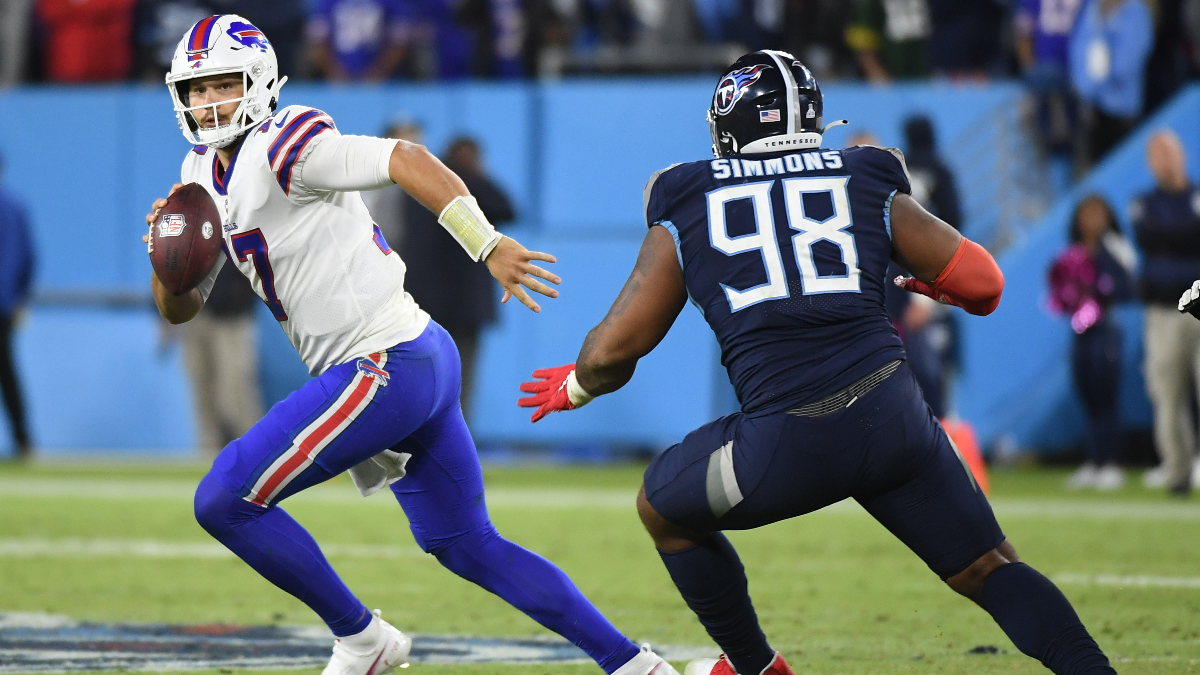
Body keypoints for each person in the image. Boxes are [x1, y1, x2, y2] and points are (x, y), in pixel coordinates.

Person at [521, 50, 1116, 675]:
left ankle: (754, 666)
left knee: (661, 508)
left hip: (785, 439)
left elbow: (616, 350)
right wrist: (930, 285)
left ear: (730, 125)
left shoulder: (688, 195)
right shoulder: (863, 174)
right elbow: (984, 283)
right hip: (894, 417)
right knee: (991, 569)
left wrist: (578, 387)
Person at [144, 15, 678, 675]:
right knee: (468, 545)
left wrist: (487, 243)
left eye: (223, 83)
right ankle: (634, 665)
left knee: (223, 497)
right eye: (196, 89)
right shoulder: (199, 171)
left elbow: (405, 159)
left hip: (383, 361)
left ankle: (362, 638)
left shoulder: (287, 141)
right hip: (411, 358)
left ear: (258, 81)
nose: (208, 102)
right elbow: (182, 308)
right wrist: (168, 264)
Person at [401, 135, 514, 416]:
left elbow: (508, 210)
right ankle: (452, 438)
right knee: (459, 379)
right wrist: (473, 176)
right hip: (459, 305)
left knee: (425, 377)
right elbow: (506, 207)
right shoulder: (470, 192)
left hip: (426, 304)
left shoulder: (421, 187)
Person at [1048, 195, 1135, 490]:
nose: (1092, 220)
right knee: (1086, 393)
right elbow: (1059, 287)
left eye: (1098, 214)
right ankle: (1093, 461)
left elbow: (1127, 287)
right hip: (1081, 331)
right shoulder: (1069, 251)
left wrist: (1102, 282)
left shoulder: (1116, 248)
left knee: (1106, 394)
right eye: (1087, 214)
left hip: (1106, 327)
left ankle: (1110, 463)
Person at [1132, 129, 1200, 496]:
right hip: (1163, 309)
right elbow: (1149, 236)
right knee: (1166, 393)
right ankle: (1179, 471)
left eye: (1169, 152)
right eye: (1157, 154)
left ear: (1182, 155)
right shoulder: (1143, 203)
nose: (1165, 160)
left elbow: (1167, 238)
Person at [180, 262, 265, 456]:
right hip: (193, 311)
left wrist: (240, 295)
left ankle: (256, 457)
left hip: (232, 315)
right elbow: (170, 253)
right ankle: (209, 462)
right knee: (203, 394)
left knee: (235, 394)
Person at [1068, 0, 1153, 166]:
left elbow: (1126, 63)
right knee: (1094, 165)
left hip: (1122, 111)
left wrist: (1099, 82)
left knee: (1123, 166)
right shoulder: (1092, 8)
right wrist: (1086, 88)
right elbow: (1078, 48)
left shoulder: (1135, 11)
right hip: (1092, 109)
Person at [0, 153, 34, 460]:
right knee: (7, 373)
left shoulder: (10, 207)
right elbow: (27, 258)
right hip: (6, 305)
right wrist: (19, 300)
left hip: (4, 302)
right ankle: (23, 441)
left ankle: (23, 440)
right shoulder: (15, 206)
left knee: (7, 373)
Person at [307, 0, 413, 82]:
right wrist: (333, 72)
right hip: (337, 76)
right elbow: (318, 42)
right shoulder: (328, 3)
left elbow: (399, 42)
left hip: (384, 78)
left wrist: (380, 72)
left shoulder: (391, 3)